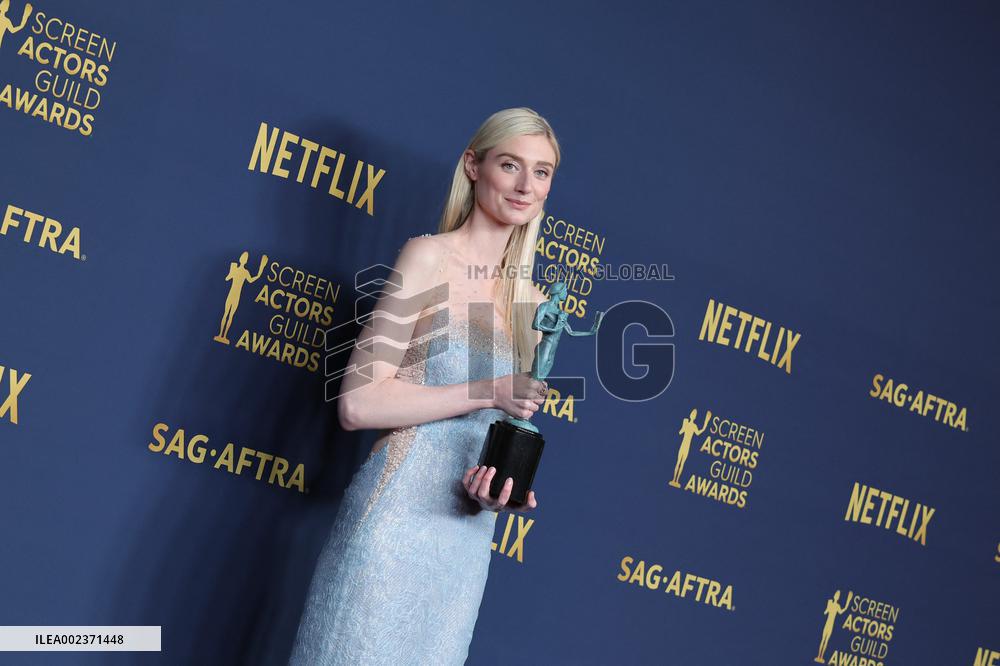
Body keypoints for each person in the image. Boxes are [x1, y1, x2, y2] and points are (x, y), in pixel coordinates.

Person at [289, 107, 561, 665]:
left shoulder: (533, 306)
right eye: (511, 165)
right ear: (473, 166)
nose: (525, 185)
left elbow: (494, 434)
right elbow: (358, 403)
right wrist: (488, 390)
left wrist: (497, 492)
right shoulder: (428, 258)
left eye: (542, 172)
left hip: (463, 544)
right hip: (392, 530)